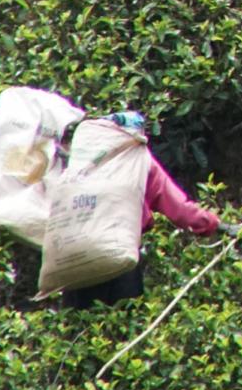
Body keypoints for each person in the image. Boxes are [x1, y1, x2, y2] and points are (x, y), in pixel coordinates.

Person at [62, 111, 220, 309]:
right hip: (119, 253)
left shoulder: (78, 160)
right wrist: (214, 224)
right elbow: (178, 209)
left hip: (74, 254)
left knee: (78, 325)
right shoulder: (138, 160)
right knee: (122, 322)